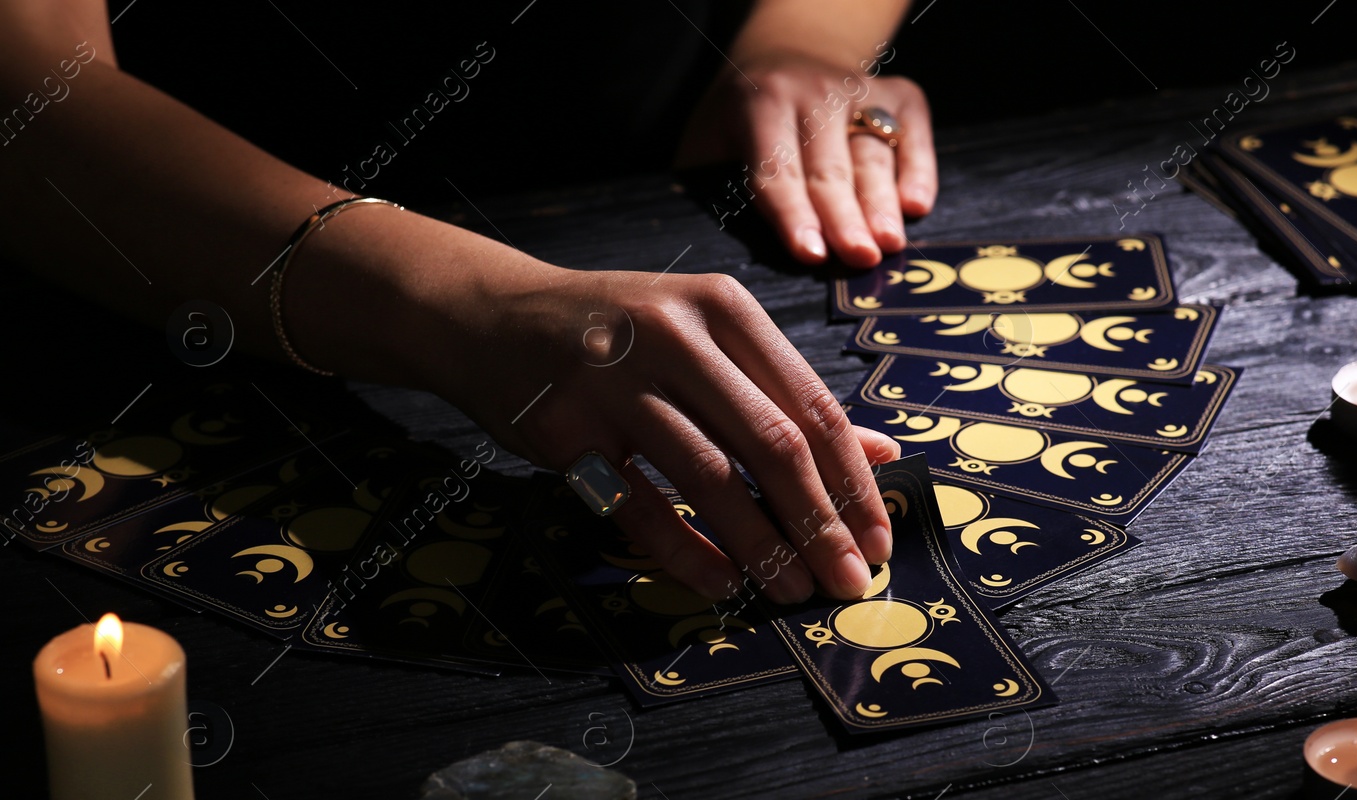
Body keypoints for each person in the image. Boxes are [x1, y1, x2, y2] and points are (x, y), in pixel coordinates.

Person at [0, 0, 939, 604]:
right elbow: (32, 104)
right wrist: (468, 308)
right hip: (170, 291)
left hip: (665, 191)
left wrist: (799, 43)